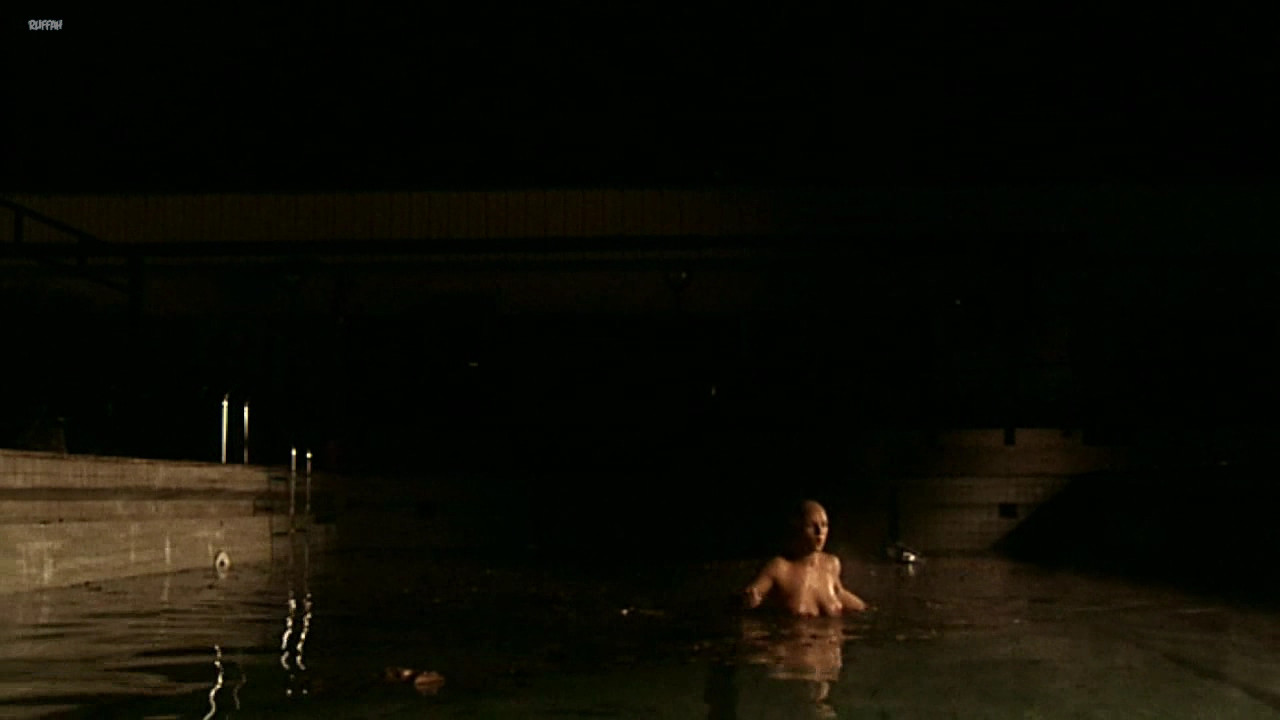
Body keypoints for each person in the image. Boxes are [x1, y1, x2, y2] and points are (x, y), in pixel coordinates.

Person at [742, 500, 869, 616]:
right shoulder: (779, 568)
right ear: (797, 528)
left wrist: (868, 611)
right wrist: (748, 600)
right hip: (793, 633)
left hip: (831, 633)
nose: (819, 532)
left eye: (824, 525)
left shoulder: (831, 565)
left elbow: (839, 592)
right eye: (811, 526)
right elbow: (751, 596)